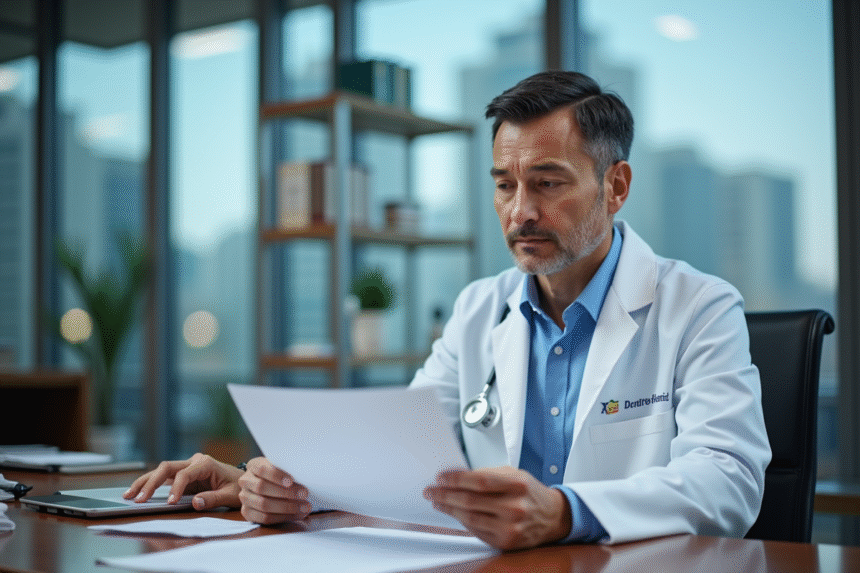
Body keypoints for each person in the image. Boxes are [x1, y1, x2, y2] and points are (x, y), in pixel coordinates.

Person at [124, 70, 771, 550]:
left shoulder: (699, 307)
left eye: (547, 182)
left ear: (616, 186)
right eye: (503, 184)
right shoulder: (477, 311)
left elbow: (728, 482)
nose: (520, 212)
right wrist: (265, 482)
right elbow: (394, 460)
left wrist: (565, 511)